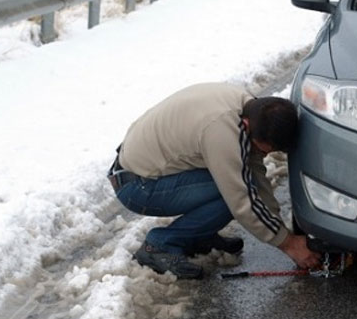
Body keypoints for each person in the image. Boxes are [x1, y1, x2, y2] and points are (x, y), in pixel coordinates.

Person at [109, 82, 321, 279]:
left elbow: (255, 170)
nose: (264, 155)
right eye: (264, 150)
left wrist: (280, 227)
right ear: (247, 125)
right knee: (231, 191)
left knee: (239, 181)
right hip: (137, 186)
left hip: (146, 170)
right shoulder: (222, 131)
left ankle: (197, 235)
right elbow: (242, 199)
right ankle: (158, 246)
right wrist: (288, 243)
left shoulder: (252, 110)